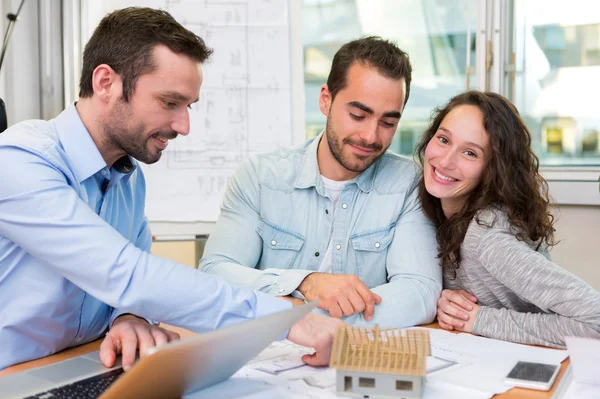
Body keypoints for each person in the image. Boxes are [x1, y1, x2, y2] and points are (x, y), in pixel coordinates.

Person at [0, 7, 343, 371]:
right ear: (105, 83)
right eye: (169, 103)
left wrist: (127, 316)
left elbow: (126, 284)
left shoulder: (129, 179)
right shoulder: (20, 162)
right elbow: (125, 272)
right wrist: (287, 320)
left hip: (80, 367)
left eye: (189, 106)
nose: (184, 125)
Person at [199, 36, 441, 327]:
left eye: (388, 123)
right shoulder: (261, 177)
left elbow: (420, 293)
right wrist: (306, 283)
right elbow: (216, 273)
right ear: (325, 99)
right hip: (268, 356)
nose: (371, 136)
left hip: (351, 351)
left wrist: (302, 316)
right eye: (357, 115)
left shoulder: (409, 185)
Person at [415, 90, 600, 347]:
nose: (445, 161)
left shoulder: (487, 238)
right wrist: (442, 303)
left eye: (470, 153)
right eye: (444, 139)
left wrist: (478, 319)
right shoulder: (431, 209)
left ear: (493, 169)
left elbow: (595, 321)